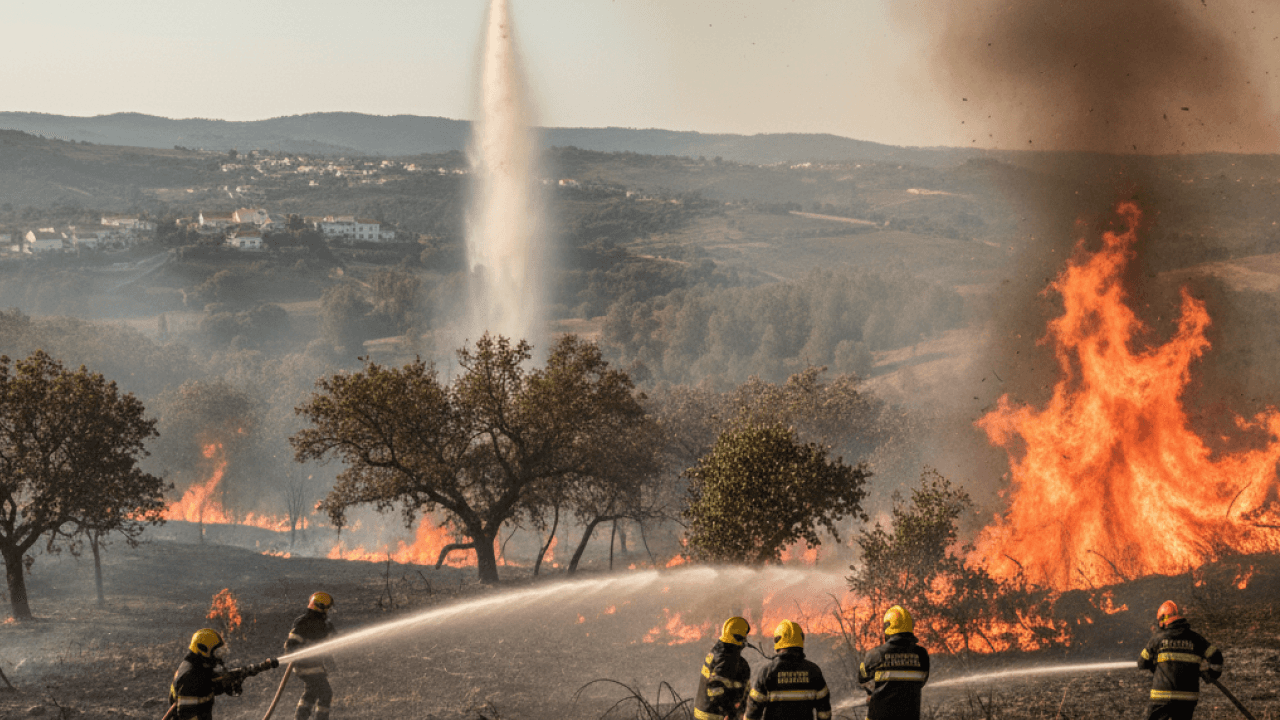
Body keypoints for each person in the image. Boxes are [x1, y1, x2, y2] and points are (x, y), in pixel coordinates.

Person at [1139, 600, 1223, 720]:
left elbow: (1142, 663)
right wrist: (1212, 674)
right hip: (1187, 699)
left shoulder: (1157, 639)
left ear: (1163, 619)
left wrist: (1157, 666)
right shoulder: (1196, 639)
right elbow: (1216, 656)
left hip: (1162, 697)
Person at [744, 620, 831, 720]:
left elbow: (753, 710)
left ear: (777, 641)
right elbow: (824, 710)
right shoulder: (813, 671)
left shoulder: (767, 672)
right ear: (801, 640)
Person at [857, 605, 930, 720]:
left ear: (888, 626)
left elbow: (862, 676)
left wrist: (872, 692)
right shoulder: (922, 655)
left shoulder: (874, 654)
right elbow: (921, 681)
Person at [285, 591, 337, 720]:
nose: (328, 612)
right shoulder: (303, 623)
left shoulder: (323, 624)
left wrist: (330, 661)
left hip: (313, 665)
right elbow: (291, 646)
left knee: (311, 692)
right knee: (325, 693)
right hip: (306, 666)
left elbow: (329, 644)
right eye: (327, 608)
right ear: (321, 607)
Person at [168, 628, 238, 720]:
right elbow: (187, 715)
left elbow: (204, 687)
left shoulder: (198, 667)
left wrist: (224, 684)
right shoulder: (190, 676)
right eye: (216, 652)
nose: (219, 657)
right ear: (203, 649)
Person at [694, 616, 753, 720]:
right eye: (744, 637)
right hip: (713, 716)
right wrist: (731, 712)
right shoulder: (726, 659)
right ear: (739, 638)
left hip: (703, 711)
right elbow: (716, 689)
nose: (745, 640)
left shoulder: (718, 650)